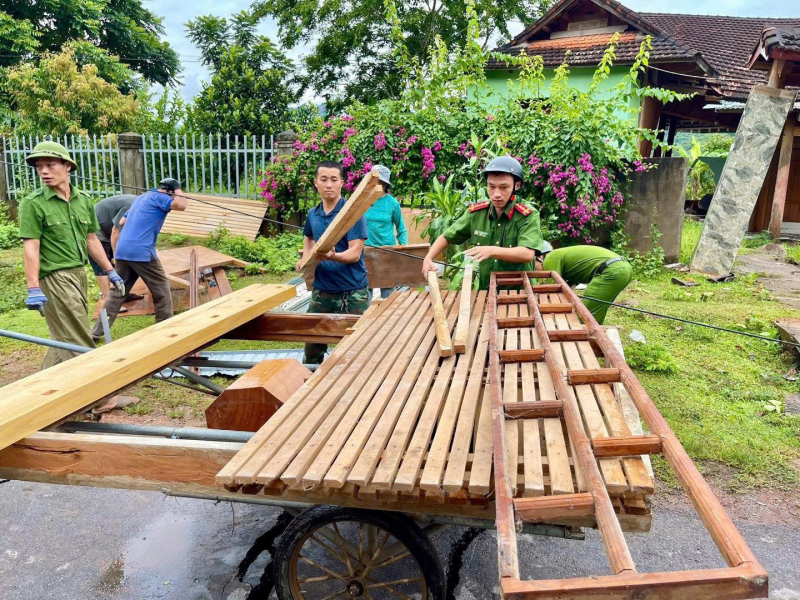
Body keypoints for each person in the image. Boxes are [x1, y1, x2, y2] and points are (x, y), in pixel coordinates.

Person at [18, 141, 125, 368]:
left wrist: (110, 271)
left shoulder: (83, 200)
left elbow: (91, 240)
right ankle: (102, 398)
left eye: (50, 165)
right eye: (39, 167)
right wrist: (33, 287)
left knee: (63, 335)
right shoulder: (33, 204)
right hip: (54, 277)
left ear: (67, 166)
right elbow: (31, 248)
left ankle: (46, 388)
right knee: (78, 335)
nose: (43, 172)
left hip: (79, 274)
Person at [421, 156, 545, 289]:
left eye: (504, 187)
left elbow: (527, 254)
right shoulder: (476, 213)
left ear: (517, 186)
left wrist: (492, 250)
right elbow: (447, 236)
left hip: (520, 293)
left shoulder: (527, 215)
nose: (496, 194)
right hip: (488, 291)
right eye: (491, 186)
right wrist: (428, 258)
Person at [91, 178, 187, 339]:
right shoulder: (161, 197)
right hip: (141, 251)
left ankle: (96, 332)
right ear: (170, 192)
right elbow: (182, 205)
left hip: (122, 250)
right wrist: (178, 190)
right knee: (161, 288)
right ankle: (165, 327)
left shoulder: (141, 198)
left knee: (117, 292)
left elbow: (122, 221)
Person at [297, 161, 370, 364]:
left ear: (341, 183)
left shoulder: (352, 214)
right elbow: (309, 238)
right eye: (324, 179)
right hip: (322, 292)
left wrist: (333, 256)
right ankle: (310, 389)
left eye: (333, 180)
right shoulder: (313, 214)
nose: (328, 184)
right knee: (313, 347)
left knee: (357, 348)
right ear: (316, 183)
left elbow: (355, 254)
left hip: (353, 293)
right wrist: (305, 258)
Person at [541, 245, 632, 324]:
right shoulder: (564, 258)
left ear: (540, 257)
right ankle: (595, 337)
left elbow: (553, 290)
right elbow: (567, 289)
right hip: (623, 269)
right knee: (597, 309)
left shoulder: (550, 258)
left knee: (582, 315)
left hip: (612, 270)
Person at [364, 165, 408, 299]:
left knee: (388, 292)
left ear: (383, 183)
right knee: (365, 290)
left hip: (387, 251)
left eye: (377, 180)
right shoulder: (363, 200)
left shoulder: (392, 203)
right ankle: (366, 319)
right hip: (366, 251)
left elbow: (401, 228)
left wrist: (403, 250)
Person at [90, 194, 135, 300]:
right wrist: (116, 256)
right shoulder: (131, 206)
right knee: (102, 266)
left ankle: (121, 294)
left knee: (119, 264)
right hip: (96, 232)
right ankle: (107, 299)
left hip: (107, 229)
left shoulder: (140, 204)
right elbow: (115, 232)